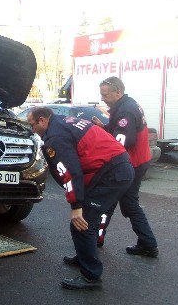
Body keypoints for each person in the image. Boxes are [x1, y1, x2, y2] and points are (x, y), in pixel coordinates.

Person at [27, 107, 135, 290]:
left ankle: (91, 276)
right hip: (115, 168)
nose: (32, 130)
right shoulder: (63, 121)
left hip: (112, 174)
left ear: (42, 121)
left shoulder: (55, 137)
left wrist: (75, 205)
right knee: (87, 220)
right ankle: (84, 256)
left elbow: (70, 171)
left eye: (32, 125)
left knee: (81, 222)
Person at [91, 76, 158, 256]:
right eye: (101, 94)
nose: (102, 98)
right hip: (138, 161)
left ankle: (148, 244)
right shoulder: (126, 104)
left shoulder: (125, 111)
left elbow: (121, 142)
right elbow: (119, 131)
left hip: (130, 164)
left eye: (105, 94)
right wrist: (104, 127)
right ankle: (147, 243)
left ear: (118, 92)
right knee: (124, 203)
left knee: (112, 202)